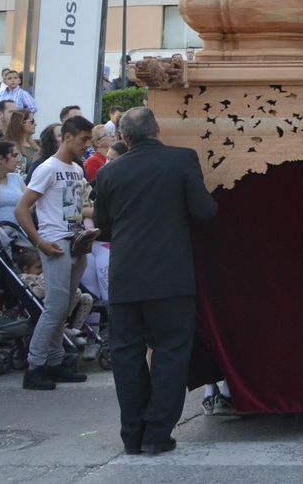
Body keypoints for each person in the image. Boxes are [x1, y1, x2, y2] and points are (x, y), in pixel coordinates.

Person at [93, 108, 219, 455]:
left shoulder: (109, 173)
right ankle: (157, 433)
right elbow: (204, 212)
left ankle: (132, 435)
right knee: (170, 353)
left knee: (126, 355)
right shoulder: (181, 160)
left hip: (125, 276)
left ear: (124, 137)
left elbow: (103, 225)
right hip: (170, 275)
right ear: (158, 130)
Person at [16, 115, 95, 391]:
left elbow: (73, 209)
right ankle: (36, 365)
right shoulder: (47, 168)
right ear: (68, 136)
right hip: (56, 243)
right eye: (84, 139)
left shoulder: (75, 168)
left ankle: (55, 361)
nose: (87, 145)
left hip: (75, 243)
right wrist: (39, 241)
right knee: (55, 308)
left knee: (63, 307)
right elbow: (22, 208)